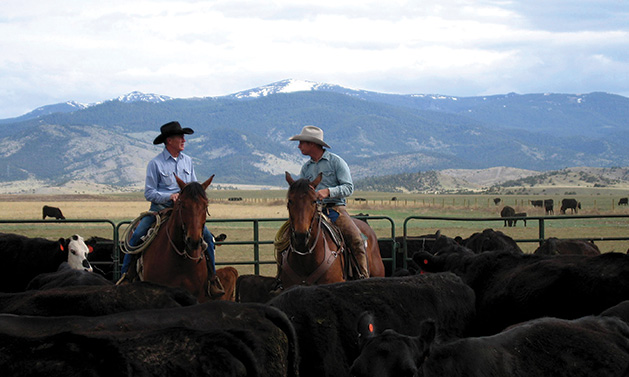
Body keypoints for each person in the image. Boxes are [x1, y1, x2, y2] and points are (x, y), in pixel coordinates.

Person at [118, 121, 224, 297]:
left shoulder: (188, 161)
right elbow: (149, 192)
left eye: (184, 137)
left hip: (185, 211)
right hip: (160, 210)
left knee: (207, 238)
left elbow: (194, 187)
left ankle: (212, 279)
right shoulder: (156, 164)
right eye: (180, 137)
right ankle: (126, 277)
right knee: (137, 236)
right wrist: (169, 197)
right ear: (169, 140)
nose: (184, 140)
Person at [288, 125, 369, 278]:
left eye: (302, 143)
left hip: (335, 209)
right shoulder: (306, 168)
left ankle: (363, 277)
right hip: (312, 210)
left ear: (312, 144)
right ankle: (282, 278)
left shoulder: (336, 162)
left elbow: (348, 188)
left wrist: (328, 192)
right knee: (285, 239)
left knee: (356, 239)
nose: (299, 146)